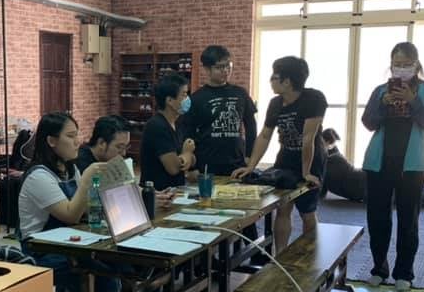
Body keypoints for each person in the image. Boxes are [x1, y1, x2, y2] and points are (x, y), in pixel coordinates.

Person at [361, 42, 424, 292]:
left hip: (412, 165)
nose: (402, 69)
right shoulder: (380, 91)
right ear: (391, 65)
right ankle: (379, 268)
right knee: (377, 218)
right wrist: (383, 105)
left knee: (408, 220)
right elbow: (368, 122)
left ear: (416, 64)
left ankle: (404, 273)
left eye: (407, 64)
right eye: (397, 64)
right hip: (379, 163)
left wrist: (412, 100)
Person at [17, 112, 119, 292]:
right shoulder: (39, 176)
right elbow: (70, 215)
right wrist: (88, 179)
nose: (77, 142)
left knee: (115, 264)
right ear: (52, 141)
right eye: (71, 136)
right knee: (103, 280)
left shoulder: (70, 170)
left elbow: (85, 210)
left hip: (70, 243)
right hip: (42, 252)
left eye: (77, 135)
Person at [232, 56, 326, 252]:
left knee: (307, 211)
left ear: (287, 81)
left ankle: (311, 256)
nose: (271, 81)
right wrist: (250, 166)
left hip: (311, 159)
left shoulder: (314, 99)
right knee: (283, 206)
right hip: (285, 158)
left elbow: (308, 139)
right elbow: (265, 135)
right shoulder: (275, 103)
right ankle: (280, 254)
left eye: (274, 77)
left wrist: (306, 173)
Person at [319, 129, 424, 210]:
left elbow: (321, 191)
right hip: (365, 186)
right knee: (407, 192)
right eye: (331, 143)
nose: (334, 145)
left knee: (406, 192)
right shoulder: (332, 160)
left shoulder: (330, 160)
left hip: (364, 184)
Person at [180, 45, 257, 176]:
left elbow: (251, 126)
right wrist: (191, 165)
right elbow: (187, 132)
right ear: (207, 69)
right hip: (206, 165)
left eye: (228, 66)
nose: (225, 70)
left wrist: (249, 156)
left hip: (237, 164)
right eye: (219, 67)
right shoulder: (196, 98)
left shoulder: (240, 93)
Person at [139, 73, 196, 191]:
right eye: (184, 94)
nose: (187, 99)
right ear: (169, 100)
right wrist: (187, 154)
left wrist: (186, 158)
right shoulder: (157, 126)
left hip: (175, 191)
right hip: (158, 194)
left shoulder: (177, 123)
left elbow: (192, 161)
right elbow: (173, 168)